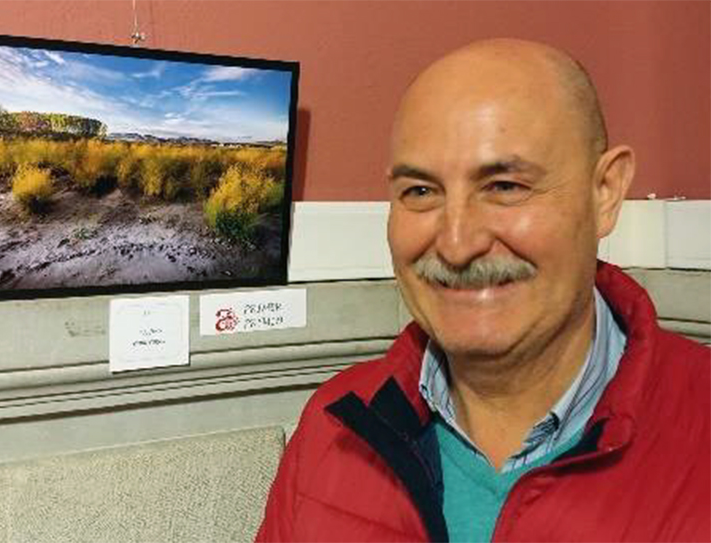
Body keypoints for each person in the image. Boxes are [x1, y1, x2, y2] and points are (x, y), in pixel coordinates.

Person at [256, 38, 710, 542]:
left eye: (505, 187)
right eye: (421, 192)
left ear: (605, 193)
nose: (455, 245)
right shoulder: (332, 427)